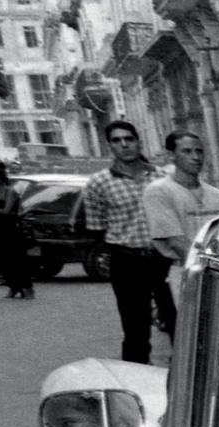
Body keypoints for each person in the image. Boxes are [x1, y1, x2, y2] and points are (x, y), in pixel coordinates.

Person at [84, 123, 174, 364]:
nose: (124, 145)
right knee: (136, 329)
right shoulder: (98, 183)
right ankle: (137, 382)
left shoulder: (162, 177)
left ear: (138, 141)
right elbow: (97, 228)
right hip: (127, 261)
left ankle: (189, 381)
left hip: (164, 259)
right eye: (117, 140)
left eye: (129, 139)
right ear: (109, 145)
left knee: (178, 322)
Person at [142, 131, 219, 304]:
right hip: (186, 271)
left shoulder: (217, 195)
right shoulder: (159, 191)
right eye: (187, 151)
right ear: (171, 155)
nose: (195, 157)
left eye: (199, 151)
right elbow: (176, 242)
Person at [0, 163, 34, 300]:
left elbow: (6, 211)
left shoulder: (10, 191)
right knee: (3, 260)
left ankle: (27, 288)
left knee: (17, 259)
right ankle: (13, 287)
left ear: (1, 177)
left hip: (11, 229)